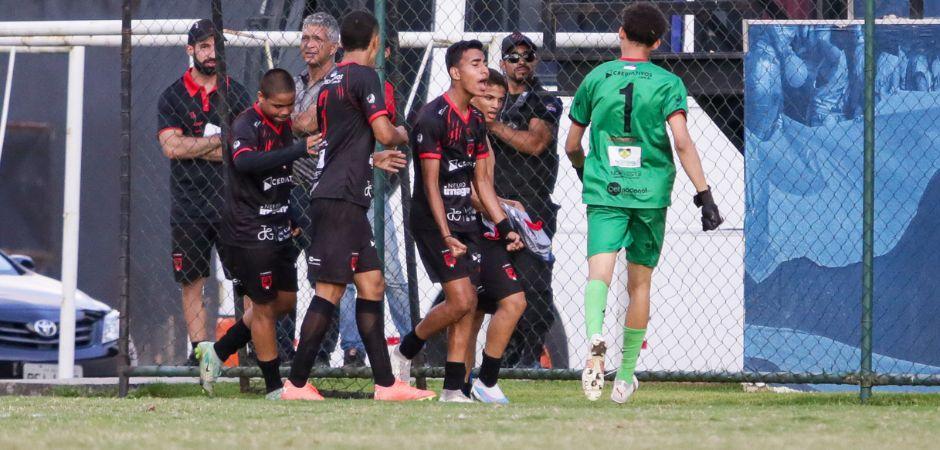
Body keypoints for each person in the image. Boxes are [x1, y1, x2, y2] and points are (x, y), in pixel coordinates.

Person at [564, 2, 723, 404]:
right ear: (657, 41)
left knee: (598, 272)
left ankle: (594, 342)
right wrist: (704, 194)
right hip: (650, 192)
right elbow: (682, 141)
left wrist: (589, 173)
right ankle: (626, 376)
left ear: (620, 32)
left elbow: (571, 145)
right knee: (640, 283)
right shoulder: (668, 83)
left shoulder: (596, 78)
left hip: (607, 189)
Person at [283, 10, 435, 402]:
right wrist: (408, 131)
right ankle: (296, 384)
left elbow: (337, 140)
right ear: (373, 42)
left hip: (341, 192)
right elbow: (384, 132)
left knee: (372, 284)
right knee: (331, 290)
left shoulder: (330, 81)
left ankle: (385, 385)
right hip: (342, 198)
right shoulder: (363, 76)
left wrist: (371, 160)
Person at [390, 40, 524, 402]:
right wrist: (447, 233)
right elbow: (429, 183)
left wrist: (505, 227)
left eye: (485, 64)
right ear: (455, 72)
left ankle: (453, 389)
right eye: (477, 64)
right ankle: (405, 349)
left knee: (468, 304)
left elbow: (480, 182)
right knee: (462, 300)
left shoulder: (476, 120)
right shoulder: (432, 118)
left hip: (466, 220)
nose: (484, 72)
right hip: (435, 223)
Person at [196, 69, 321, 399]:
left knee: (285, 302)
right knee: (263, 308)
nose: (284, 112)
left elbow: (279, 177)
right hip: (249, 232)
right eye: (278, 106)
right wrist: (298, 149)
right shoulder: (244, 125)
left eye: (290, 106)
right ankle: (273, 388)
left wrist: (291, 212)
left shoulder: (282, 126)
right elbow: (247, 164)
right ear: (261, 99)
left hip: (279, 226)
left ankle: (218, 350)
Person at [156, 19, 252, 365]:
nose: (212, 54)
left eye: (216, 47)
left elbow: (243, 148)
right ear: (191, 50)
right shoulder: (172, 96)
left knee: (245, 282)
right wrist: (217, 143)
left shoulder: (237, 92)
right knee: (192, 281)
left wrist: (192, 144)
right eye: (205, 47)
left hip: (232, 203)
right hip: (188, 206)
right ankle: (199, 353)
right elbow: (171, 148)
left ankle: (249, 348)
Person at [488, 32, 565, 368]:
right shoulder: (491, 97)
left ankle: (531, 353)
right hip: (492, 203)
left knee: (533, 284)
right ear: (502, 62)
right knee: (495, 285)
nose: (521, 62)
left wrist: (493, 126)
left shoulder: (545, 100)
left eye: (528, 56)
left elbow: (536, 142)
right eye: (513, 56)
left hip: (533, 204)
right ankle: (503, 353)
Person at [456, 69, 529, 403]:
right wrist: (498, 212)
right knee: (512, 302)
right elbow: (460, 190)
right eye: (489, 97)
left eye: (501, 99)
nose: (496, 104)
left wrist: (500, 206)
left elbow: (481, 189)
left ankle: (463, 385)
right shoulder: (457, 127)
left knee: (473, 312)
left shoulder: (478, 131)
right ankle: (483, 381)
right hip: (469, 232)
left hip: (483, 230)